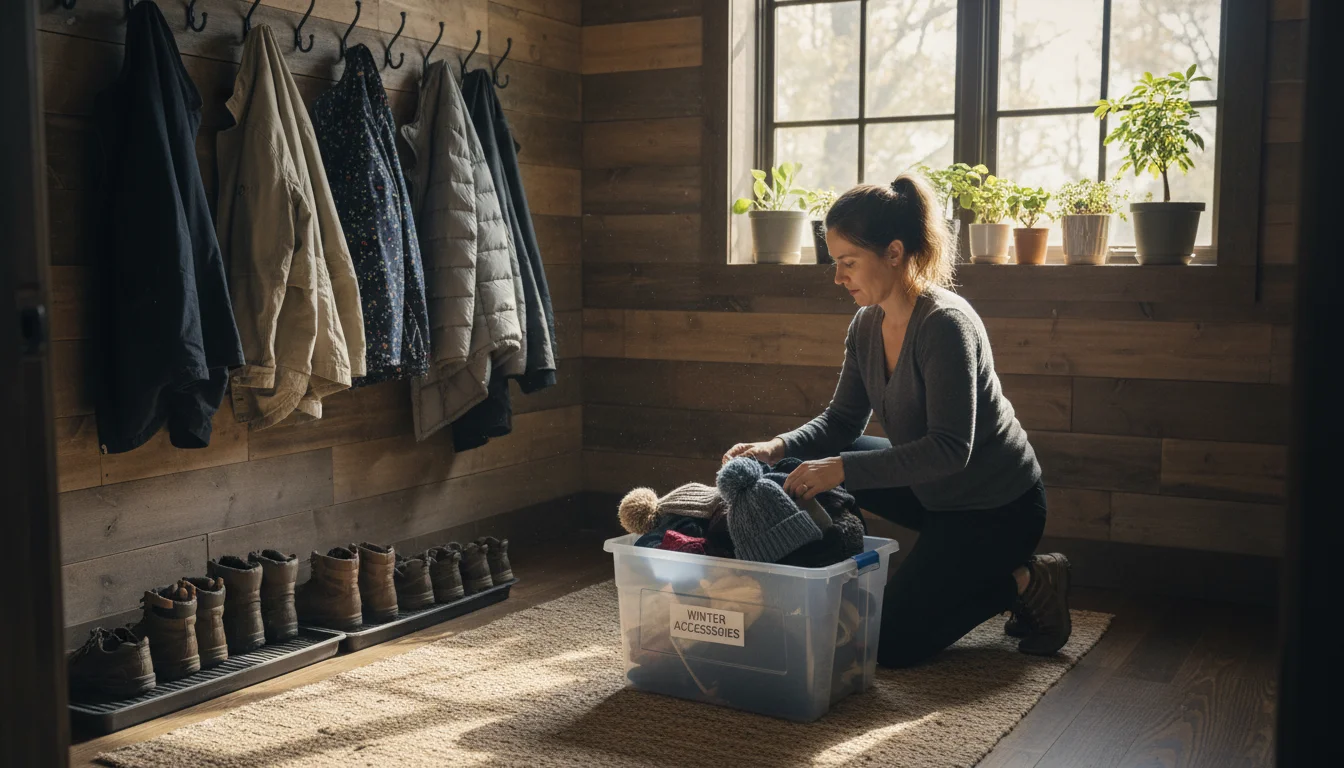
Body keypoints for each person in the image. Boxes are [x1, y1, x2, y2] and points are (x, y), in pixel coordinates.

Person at [722, 173, 1071, 668]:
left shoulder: (945, 325)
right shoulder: (866, 323)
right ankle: (827, 564)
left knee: (889, 644)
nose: (838, 277)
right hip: (935, 494)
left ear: (893, 252)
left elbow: (951, 449)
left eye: (848, 263)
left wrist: (841, 470)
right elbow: (842, 419)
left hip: (995, 509)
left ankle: (1028, 580)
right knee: (803, 462)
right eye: (835, 263)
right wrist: (774, 448)